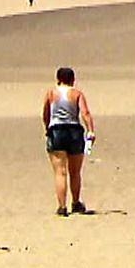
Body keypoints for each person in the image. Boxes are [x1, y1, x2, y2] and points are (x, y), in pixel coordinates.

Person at [43, 67, 96, 216]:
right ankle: (75, 202)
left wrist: (47, 128)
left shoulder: (51, 93)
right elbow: (85, 112)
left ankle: (62, 206)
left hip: (57, 131)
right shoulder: (77, 94)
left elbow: (46, 113)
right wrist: (90, 130)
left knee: (60, 172)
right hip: (74, 131)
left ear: (58, 79)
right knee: (75, 171)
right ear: (73, 79)